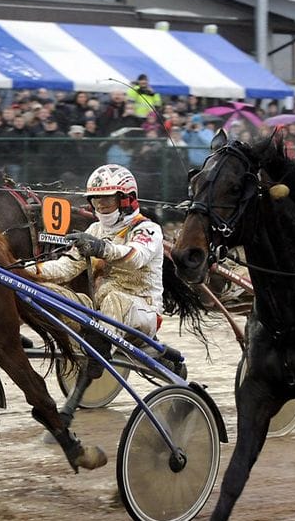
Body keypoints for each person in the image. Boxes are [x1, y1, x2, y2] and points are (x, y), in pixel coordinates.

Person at [26, 164, 182, 422]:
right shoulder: (94, 230)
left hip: (141, 313)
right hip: (100, 314)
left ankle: (94, 358)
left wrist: (102, 249)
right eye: (96, 199)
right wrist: (27, 273)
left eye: (108, 199)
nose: (101, 205)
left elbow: (135, 257)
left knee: (113, 299)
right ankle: (93, 338)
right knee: (43, 292)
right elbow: (65, 267)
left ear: (126, 199)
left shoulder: (148, 229)